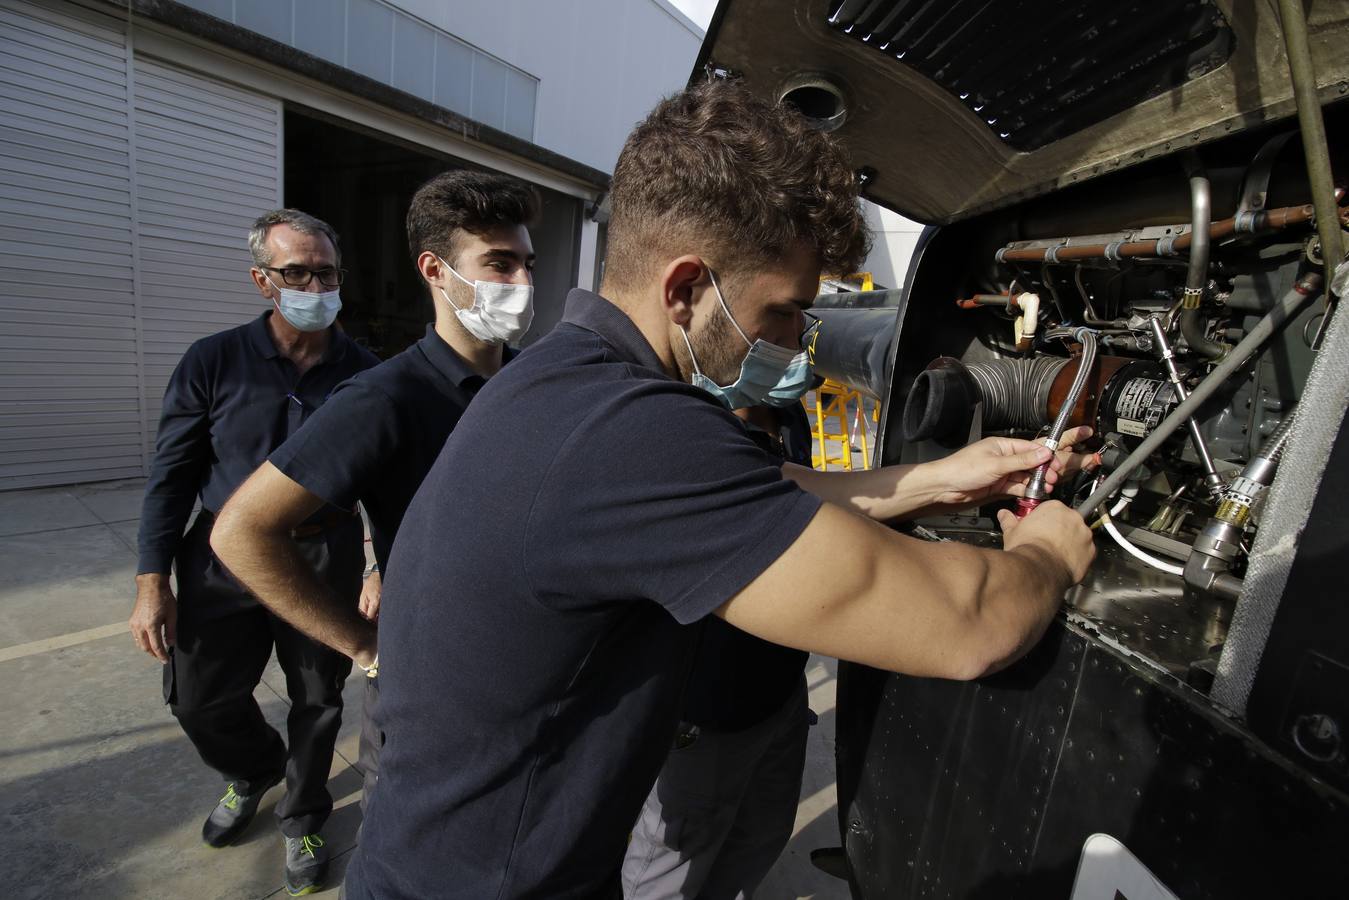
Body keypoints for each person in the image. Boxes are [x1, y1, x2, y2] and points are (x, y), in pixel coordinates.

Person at [342, 80, 1096, 900]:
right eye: (781, 312)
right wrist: (1045, 553)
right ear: (685, 288)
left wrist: (939, 476)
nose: (792, 342)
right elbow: (967, 626)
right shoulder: (635, 434)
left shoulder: (569, 385)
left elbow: (765, 490)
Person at [209, 170, 540, 813]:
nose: (522, 285)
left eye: (528, 264)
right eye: (499, 264)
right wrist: (363, 645)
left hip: (521, 677)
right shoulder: (383, 397)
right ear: (435, 271)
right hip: (426, 690)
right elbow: (241, 531)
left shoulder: (534, 382)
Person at [127, 209, 378, 897]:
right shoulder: (212, 361)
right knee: (198, 698)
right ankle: (253, 767)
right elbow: (171, 475)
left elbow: (389, 482)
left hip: (320, 556)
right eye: (296, 271)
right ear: (263, 281)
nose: (314, 284)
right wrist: (153, 580)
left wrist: (380, 565)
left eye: (325, 271)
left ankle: (302, 814)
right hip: (220, 560)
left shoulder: (368, 375)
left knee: (317, 697)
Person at [623, 399, 817, 899]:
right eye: (778, 319)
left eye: (799, 319)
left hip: (778, 689)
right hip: (707, 711)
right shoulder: (688, 426)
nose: (797, 341)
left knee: (760, 836)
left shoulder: (790, 413)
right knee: (670, 866)